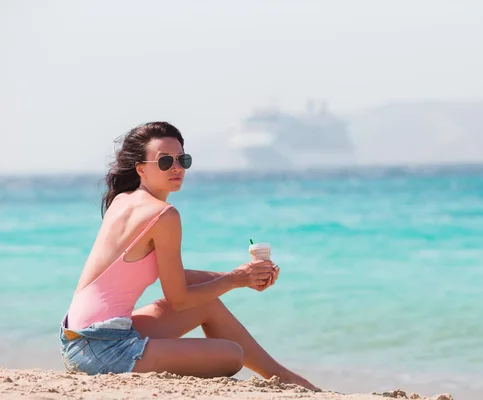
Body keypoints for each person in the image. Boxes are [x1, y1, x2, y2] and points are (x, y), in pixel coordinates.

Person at [59, 121, 318, 391]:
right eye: (165, 161)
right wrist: (234, 280)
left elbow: (180, 281)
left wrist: (246, 277)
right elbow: (179, 299)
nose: (176, 168)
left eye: (183, 159)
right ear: (141, 169)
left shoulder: (124, 200)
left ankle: (281, 374)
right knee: (232, 356)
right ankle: (280, 375)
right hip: (102, 350)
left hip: (78, 339)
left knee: (207, 304)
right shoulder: (163, 215)